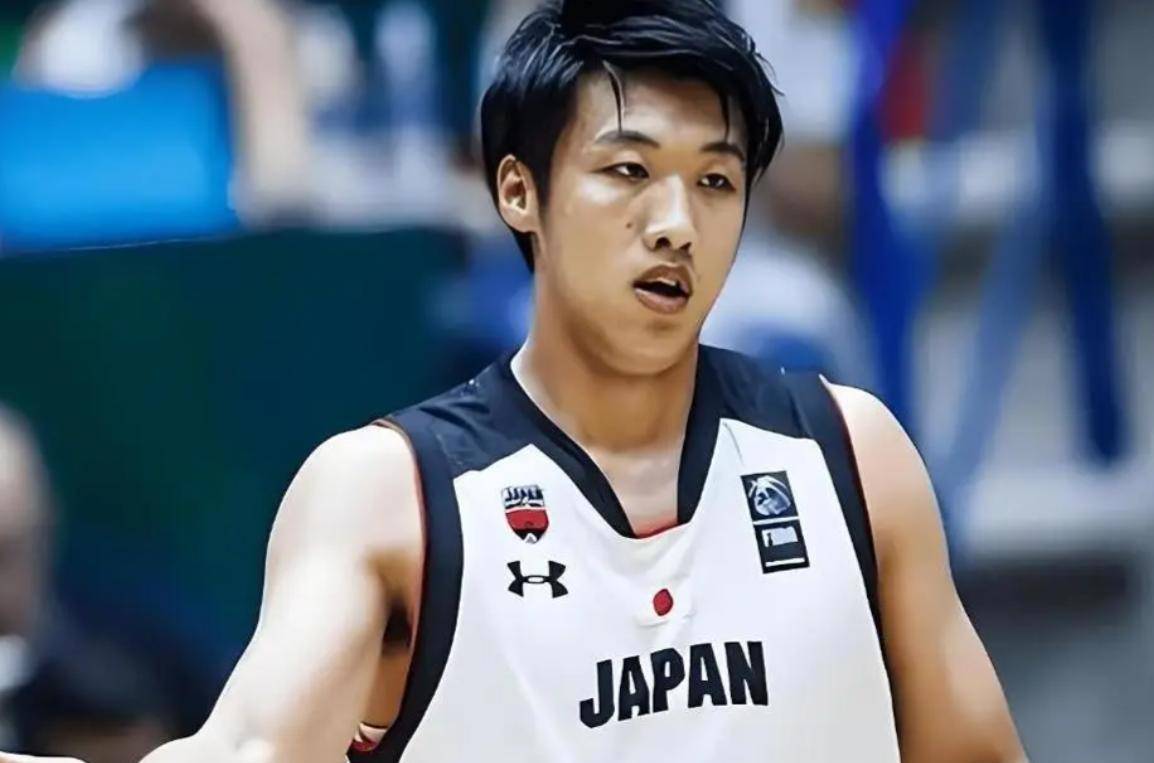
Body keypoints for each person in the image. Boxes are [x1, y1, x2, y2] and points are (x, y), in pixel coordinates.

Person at [1, 1, 1027, 761]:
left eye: (715, 180)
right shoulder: (386, 494)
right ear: (518, 191)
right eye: (627, 171)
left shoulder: (851, 454)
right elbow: (250, 751)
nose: (676, 222)